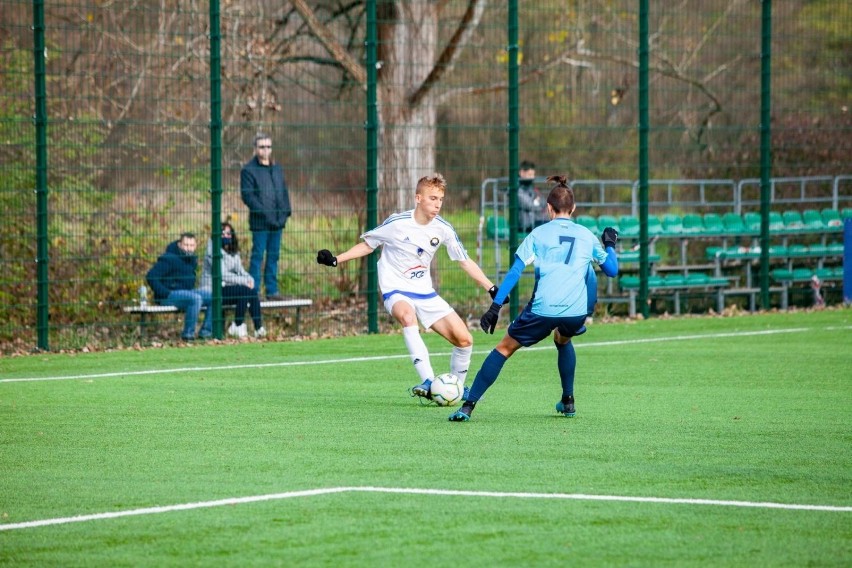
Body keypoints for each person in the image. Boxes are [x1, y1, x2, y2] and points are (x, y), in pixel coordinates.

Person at [449, 175, 619, 422]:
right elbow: (612, 270)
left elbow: (515, 271)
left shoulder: (538, 234)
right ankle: (568, 401)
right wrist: (610, 244)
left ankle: (468, 407)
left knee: (504, 348)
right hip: (575, 312)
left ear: (549, 208)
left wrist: (495, 306)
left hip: (543, 310)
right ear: (573, 209)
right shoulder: (586, 236)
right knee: (563, 339)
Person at [316, 173, 501, 399]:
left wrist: (491, 287)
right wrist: (336, 259)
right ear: (418, 198)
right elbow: (368, 245)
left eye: (441, 199)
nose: (437, 204)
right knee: (407, 315)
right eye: (432, 198)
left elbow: (464, 260)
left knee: (465, 340)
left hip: (424, 292)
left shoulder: (443, 229)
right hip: (395, 288)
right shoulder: (397, 223)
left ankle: (455, 389)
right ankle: (427, 380)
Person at [240, 133, 292, 301]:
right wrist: (266, 215)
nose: (265, 150)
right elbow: (248, 197)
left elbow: (283, 192)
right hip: (260, 224)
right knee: (257, 256)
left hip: (277, 223)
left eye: (268, 146)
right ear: (255, 149)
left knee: (273, 256)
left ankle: (272, 291)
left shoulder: (276, 169)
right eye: (262, 147)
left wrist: (286, 213)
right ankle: (253, 292)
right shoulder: (248, 170)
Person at [200, 222, 266, 339]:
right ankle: (238, 325)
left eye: (228, 234)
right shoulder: (212, 252)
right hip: (214, 289)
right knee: (245, 290)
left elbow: (241, 271)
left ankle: (257, 328)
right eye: (223, 233)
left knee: (250, 291)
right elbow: (222, 275)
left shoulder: (233, 251)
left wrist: (249, 279)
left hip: (228, 287)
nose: (226, 236)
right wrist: (243, 281)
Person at [146, 232, 212, 341]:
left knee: (213, 297)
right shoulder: (169, 258)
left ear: (195, 246)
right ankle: (188, 335)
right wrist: (164, 292)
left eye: (191, 246)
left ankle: (206, 333)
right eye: (186, 245)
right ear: (179, 245)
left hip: (186, 293)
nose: (188, 248)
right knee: (196, 299)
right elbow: (151, 276)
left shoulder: (192, 260)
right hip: (169, 295)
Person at [516, 159, 548, 233]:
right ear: (521, 173)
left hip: (537, 222)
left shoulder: (533, 189)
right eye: (530, 175)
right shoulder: (517, 190)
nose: (532, 177)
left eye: (533, 175)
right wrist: (536, 203)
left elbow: (544, 203)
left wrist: (536, 203)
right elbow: (529, 205)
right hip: (525, 225)